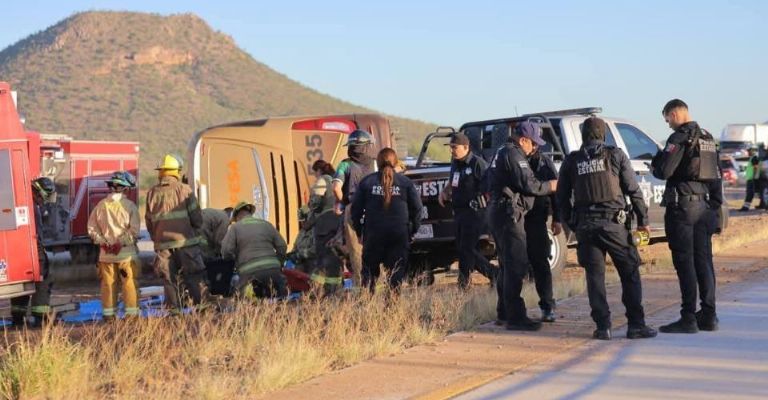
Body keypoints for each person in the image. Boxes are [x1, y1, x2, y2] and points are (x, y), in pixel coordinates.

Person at [558, 117, 657, 340]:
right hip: (614, 226)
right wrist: (643, 221)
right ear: (603, 135)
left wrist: (573, 222)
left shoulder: (572, 161)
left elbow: (562, 198)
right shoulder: (615, 155)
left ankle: (603, 327)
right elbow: (634, 190)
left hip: (585, 227)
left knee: (595, 278)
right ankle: (636, 325)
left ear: (584, 135)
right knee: (629, 272)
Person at [652, 99, 722, 333]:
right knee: (704, 260)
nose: (667, 124)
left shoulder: (680, 138)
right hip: (704, 208)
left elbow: (664, 171)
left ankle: (688, 318)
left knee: (685, 262)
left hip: (682, 209)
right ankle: (709, 315)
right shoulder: (707, 138)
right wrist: (716, 206)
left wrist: (655, 161)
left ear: (674, 114)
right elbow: (717, 176)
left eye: (667, 119)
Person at [487, 121, 556, 331]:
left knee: (507, 265)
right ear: (523, 139)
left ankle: (504, 313)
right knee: (516, 266)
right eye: (533, 143)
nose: (534, 148)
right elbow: (530, 184)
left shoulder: (501, 151)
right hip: (509, 215)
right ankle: (516, 317)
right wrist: (551, 186)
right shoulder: (514, 154)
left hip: (500, 213)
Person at [351, 148, 422, 293]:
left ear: (378, 162)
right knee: (395, 276)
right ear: (396, 162)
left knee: (369, 277)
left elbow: (355, 210)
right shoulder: (406, 183)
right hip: (399, 235)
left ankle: (367, 307)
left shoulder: (367, 182)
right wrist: (412, 230)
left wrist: (359, 232)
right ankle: (392, 309)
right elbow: (418, 209)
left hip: (373, 235)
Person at [145, 154, 209, 312]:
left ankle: (174, 314)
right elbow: (197, 218)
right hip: (186, 244)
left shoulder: (152, 193)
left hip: (163, 246)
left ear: (161, 172)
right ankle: (203, 310)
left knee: (169, 280)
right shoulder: (184, 189)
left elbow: (148, 221)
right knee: (194, 276)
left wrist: (157, 238)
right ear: (176, 171)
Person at [437, 133, 496, 289]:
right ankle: (464, 282)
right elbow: (452, 182)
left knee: (467, 249)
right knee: (463, 249)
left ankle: (494, 274)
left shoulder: (478, 164)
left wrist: (485, 202)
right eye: (450, 148)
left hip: (475, 213)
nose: (452, 151)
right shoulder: (455, 163)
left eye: (454, 148)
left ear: (466, 147)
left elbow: (491, 186)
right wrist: (445, 192)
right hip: (459, 212)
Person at [87, 171, 141, 321]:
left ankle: (109, 316)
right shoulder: (130, 206)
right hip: (125, 255)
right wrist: (120, 242)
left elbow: (92, 229)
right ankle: (131, 316)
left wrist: (104, 243)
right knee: (129, 284)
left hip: (106, 255)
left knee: (108, 285)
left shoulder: (100, 205)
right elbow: (134, 230)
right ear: (125, 188)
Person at [332, 130, 377, 286]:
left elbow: (336, 187)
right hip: (375, 208)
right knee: (376, 246)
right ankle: (378, 285)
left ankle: (361, 288)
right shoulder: (376, 163)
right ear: (367, 146)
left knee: (356, 252)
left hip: (353, 209)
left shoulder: (345, 164)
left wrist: (344, 202)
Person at [10, 177, 55, 327]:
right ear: (39, 192)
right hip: (33, 249)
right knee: (43, 281)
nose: (45, 199)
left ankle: (18, 318)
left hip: (19, 249)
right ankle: (40, 317)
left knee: (23, 282)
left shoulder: (22, 202)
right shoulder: (32, 207)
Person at [221, 201, 288, 299]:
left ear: (237, 216)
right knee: (281, 301)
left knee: (248, 303)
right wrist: (279, 263)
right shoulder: (266, 224)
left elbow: (226, 251)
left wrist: (235, 263)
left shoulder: (235, 227)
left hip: (249, 274)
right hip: (273, 271)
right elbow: (282, 246)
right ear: (250, 213)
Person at [525, 143, 560, 322]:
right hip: (516, 220)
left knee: (540, 264)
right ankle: (510, 309)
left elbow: (556, 189)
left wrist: (557, 218)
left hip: (537, 219)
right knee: (514, 265)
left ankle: (547, 306)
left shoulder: (544, 162)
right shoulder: (512, 158)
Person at [308, 160, 344, 295]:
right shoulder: (337, 180)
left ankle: (317, 292)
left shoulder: (322, 180)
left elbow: (315, 203)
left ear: (319, 171)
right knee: (336, 259)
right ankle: (336, 291)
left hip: (325, 226)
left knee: (323, 259)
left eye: (315, 173)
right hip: (338, 224)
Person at [200, 208, 233, 296]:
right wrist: (223, 255)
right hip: (202, 241)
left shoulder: (215, 213)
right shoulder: (225, 218)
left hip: (194, 237)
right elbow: (219, 241)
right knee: (208, 264)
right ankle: (208, 293)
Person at [739, 146, 761, 211]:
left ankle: (745, 207)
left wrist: (755, 178)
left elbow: (756, 168)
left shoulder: (754, 158)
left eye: (749, 150)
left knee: (750, 193)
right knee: (751, 193)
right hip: (750, 179)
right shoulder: (752, 158)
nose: (748, 152)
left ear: (753, 151)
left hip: (752, 179)